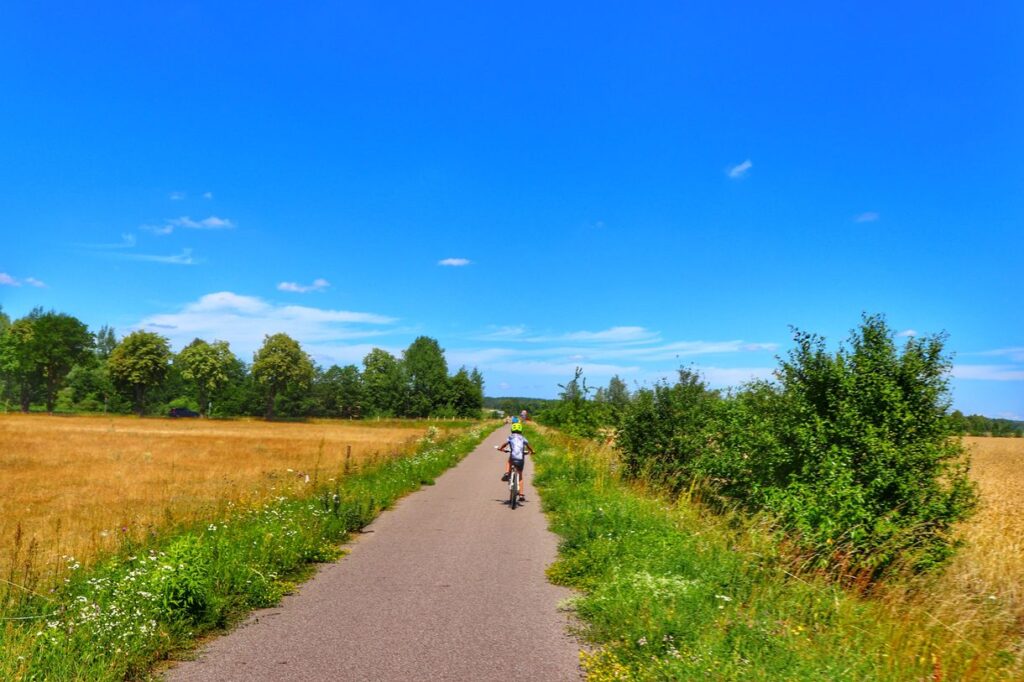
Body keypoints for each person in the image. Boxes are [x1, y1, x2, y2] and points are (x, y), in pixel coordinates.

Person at [497, 420, 533, 501]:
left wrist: (501, 448)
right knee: (520, 476)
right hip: (521, 459)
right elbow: (528, 446)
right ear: (521, 430)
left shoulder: (511, 437)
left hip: (513, 457)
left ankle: (506, 473)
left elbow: (505, 444)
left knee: (509, 461)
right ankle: (521, 494)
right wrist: (532, 451)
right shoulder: (523, 438)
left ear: (512, 430)